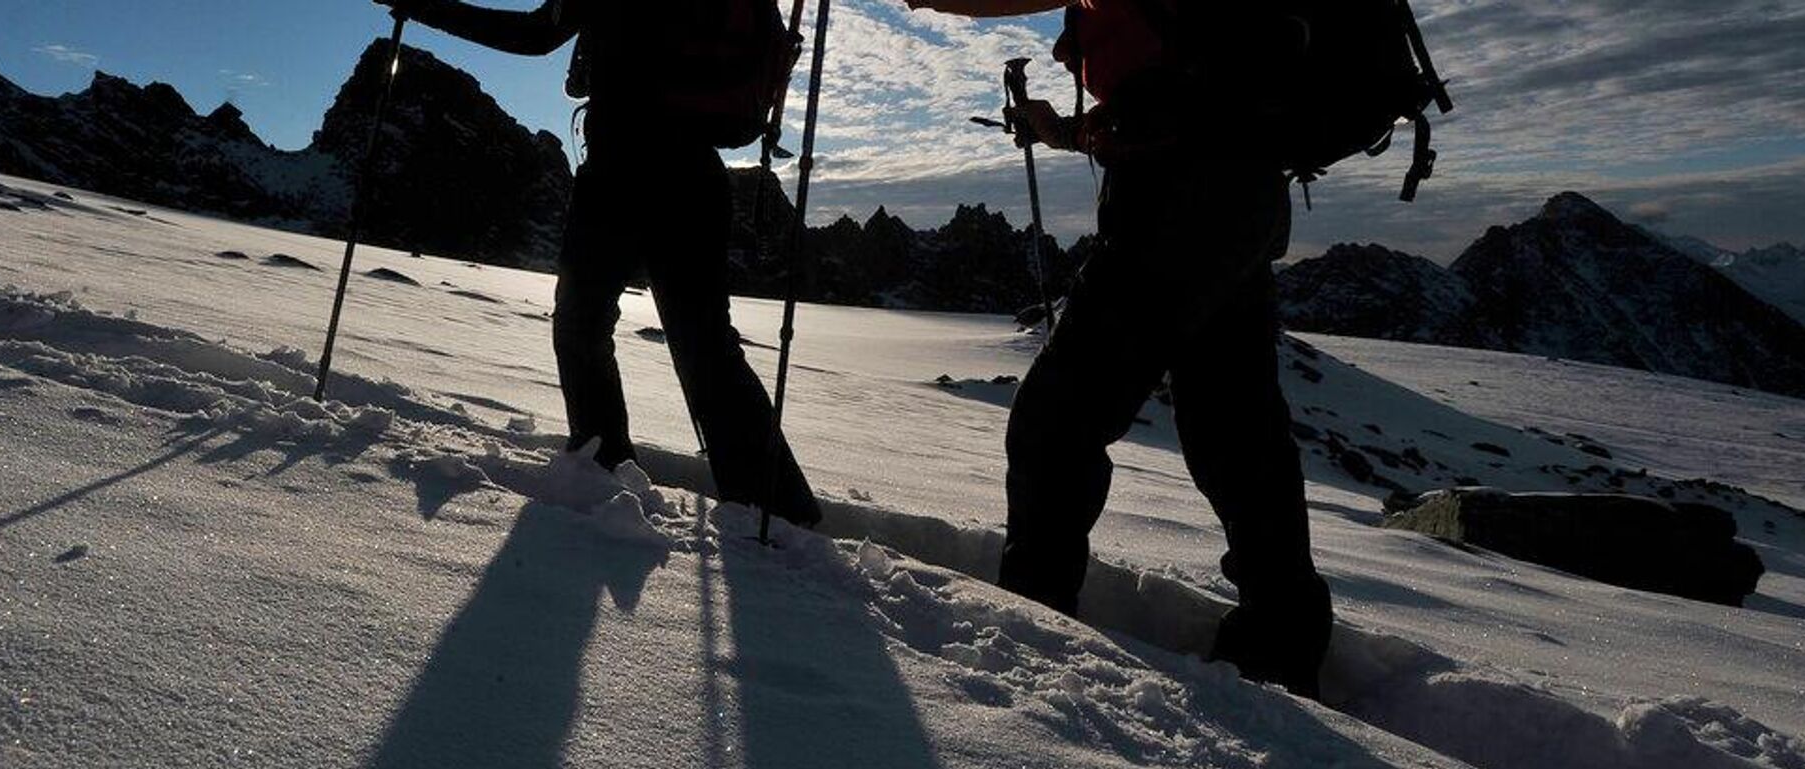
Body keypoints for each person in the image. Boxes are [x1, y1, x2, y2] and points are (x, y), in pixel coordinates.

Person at [906, 0, 1332, 697]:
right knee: (1232, 424)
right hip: (1236, 189)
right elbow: (1166, 106)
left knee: (1055, 420)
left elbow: (1168, 114)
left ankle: (1032, 636)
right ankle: (1283, 636)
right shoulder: (1205, 52)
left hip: (1181, 198)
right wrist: (1068, 132)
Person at [371, 0, 822, 527]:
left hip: (618, 173)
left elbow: (535, 34)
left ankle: (603, 477)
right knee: (706, 347)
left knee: (582, 327)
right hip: (695, 179)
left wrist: (425, 6)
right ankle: (778, 516)